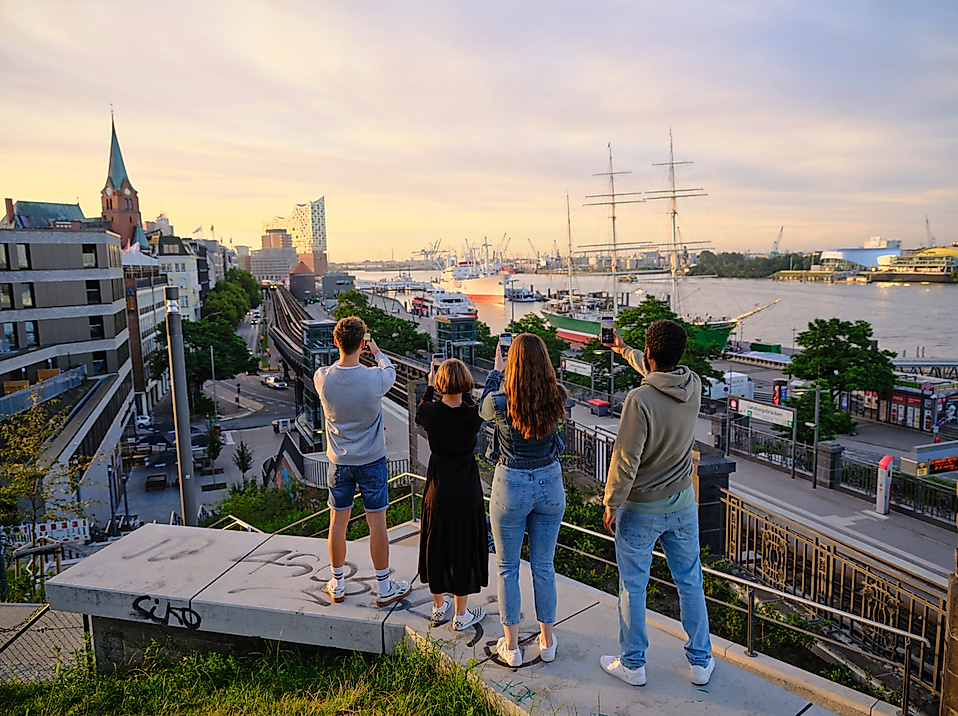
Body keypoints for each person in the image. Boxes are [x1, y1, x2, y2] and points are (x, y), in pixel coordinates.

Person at [598, 319, 714, 687]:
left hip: (641, 508)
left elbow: (625, 459)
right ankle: (701, 662)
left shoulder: (638, 400)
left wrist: (611, 502)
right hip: (682, 504)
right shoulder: (693, 385)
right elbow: (656, 372)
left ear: (649, 354)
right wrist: (622, 350)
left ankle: (633, 664)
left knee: (633, 586)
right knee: (690, 582)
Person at [480, 333, 567, 667]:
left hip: (511, 483)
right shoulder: (557, 396)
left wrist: (496, 371)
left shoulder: (500, 402)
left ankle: (512, 647)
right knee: (544, 565)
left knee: (507, 568)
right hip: (549, 482)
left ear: (510, 361)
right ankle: (547, 642)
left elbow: (482, 411)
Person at [313, 316, 411, 607]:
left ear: (335, 342)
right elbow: (389, 368)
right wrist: (377, 351)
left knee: (337, 522)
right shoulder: (375, 379)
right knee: (377, 524)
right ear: (363, 345)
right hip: (372, 461)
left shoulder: (323, 378)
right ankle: (384, 587)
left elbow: (330, 371)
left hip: (339, 462)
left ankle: (338, 582)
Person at [415, 358, 488, 631]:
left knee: (436, 545)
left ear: (440, 383)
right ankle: (461, 614)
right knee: (463, 549)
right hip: (467, 489)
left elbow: (420, 410)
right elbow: (468, 404)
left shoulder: (431, 413)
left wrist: (429, 386)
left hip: (438, 489)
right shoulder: (473, 415)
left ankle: (437, 607)